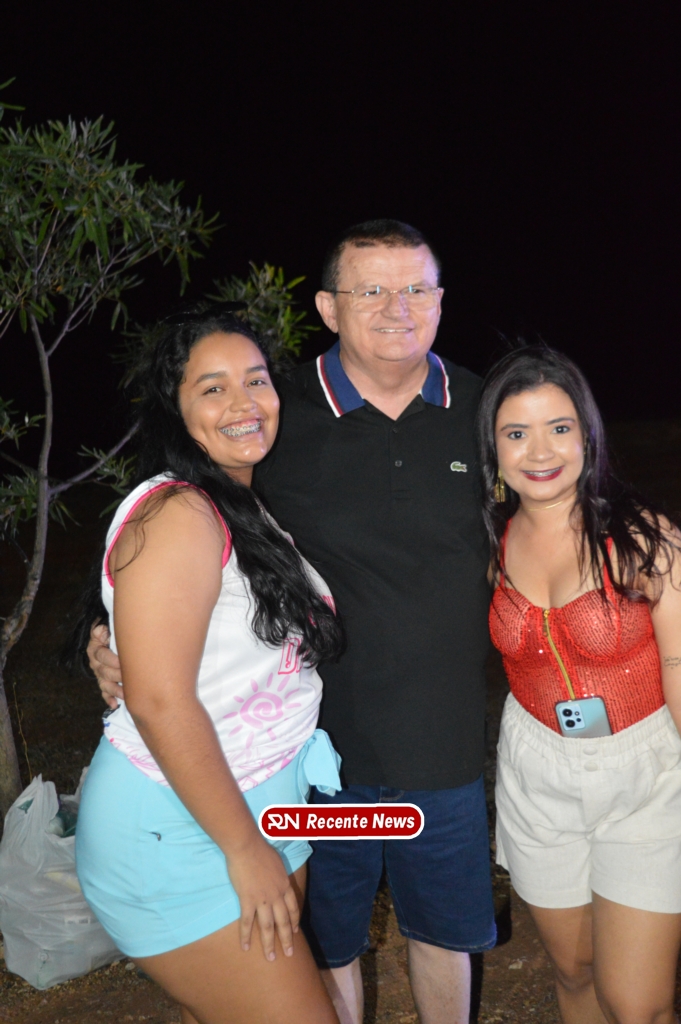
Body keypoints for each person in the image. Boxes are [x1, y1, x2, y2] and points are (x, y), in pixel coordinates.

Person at [90, 220, 496, 1024]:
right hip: (315, 763)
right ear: (328, 307)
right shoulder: (274, 416)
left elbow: (554, 522)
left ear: (441, 300)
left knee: (444, 933)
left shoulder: (487, 412)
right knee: (322, 946)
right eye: (370, 290)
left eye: (415, 288)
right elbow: (153, 556)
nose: (396, 307)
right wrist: (107, 645)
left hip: (439, 745)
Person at [74, 308, 344, 1024]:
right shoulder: (179, 512)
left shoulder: (237, 504)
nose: (243, 403)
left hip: (261, 803)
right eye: (213, 388)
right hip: (183, 827)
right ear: (176, 407)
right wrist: (244, 847)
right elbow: (159, 700)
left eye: (255, 380)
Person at [478, 345, 681, 1024]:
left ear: (587, 436)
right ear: (493, 449)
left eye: (559, 427)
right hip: (536, 772)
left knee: (638, 1003)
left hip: (646, 774)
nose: (540, 450)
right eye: (516, 432)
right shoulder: (487, 542)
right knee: (573, 970)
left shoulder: (646, 539)